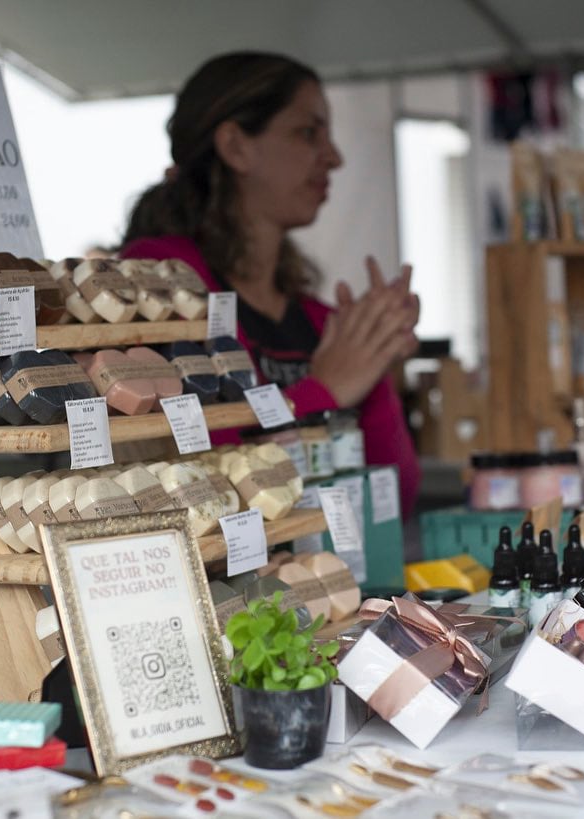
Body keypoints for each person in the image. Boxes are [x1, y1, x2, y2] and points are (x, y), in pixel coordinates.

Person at [121, 52, 421, 516]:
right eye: (308, 132)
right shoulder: (162, 273)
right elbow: (209, 470)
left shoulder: (322, 320)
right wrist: (326, 392)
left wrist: (372, 365)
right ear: (237, 146)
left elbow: (393, 496)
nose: (335, 157)